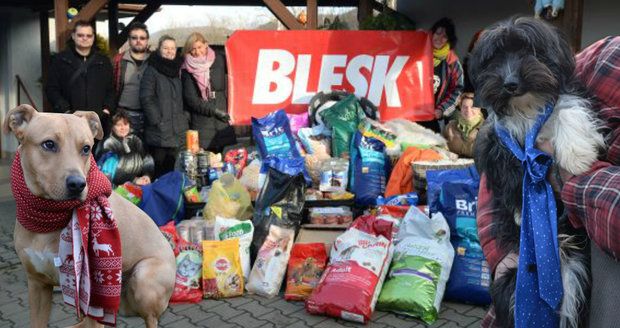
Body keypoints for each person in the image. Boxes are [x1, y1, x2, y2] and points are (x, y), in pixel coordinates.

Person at [478, 36, 620, 328]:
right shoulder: (606, 58)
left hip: (596, 271)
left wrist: (568, 180)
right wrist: (499, 252)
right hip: (527, 258)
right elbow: (493, 173)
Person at [46, 20, 115, 138]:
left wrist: (106, 110)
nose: (85, 38)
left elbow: (111, 89)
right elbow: (51, 89)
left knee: (96, 156)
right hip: (69, 121)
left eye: (88, 35)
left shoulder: (103, 61)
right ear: (73, 36)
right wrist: (66, 110)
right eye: (80, 35)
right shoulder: (60, 60)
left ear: (93, 38)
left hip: (97, 122)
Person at [140, 35, 189, 179]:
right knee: (160, 171)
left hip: (178, 129)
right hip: (159, 131)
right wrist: (157, 120)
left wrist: (185, 117)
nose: (169, 51)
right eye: (166, 48)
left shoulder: (178, 70)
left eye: (172, 48)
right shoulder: (152, 70)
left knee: (175, 170)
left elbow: (183, 98)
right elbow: (146, 97)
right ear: (159, 49)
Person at [181, 32, 236, 153]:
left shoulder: (220, 59)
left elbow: (239, 67)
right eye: (193, 49)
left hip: (223, 120)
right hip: (202, 122)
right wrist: (214, 111)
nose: (196, 51)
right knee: (206, 163)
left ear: (206, 45)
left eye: (199, 47)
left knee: (227, 162)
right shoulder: (186, 69)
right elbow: (192, 100)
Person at [419, 17, 464, 134]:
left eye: (444, 36)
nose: (439, 38)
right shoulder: (417, 51)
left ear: (449, 40)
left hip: (433, 118)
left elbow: (457, 89)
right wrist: (414, 39)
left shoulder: (452, 62)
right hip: (410, 114)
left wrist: (441, 110)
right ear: (432, 33)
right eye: (437, 33)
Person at [113, 21, 150, 140]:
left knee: (146, 154)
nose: (138, 40)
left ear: (147, 40)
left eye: (142, 38)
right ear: (129, 40)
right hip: (124, 116)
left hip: (149, 116)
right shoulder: (118, 61)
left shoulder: (155, 61)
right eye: (134, 38)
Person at [97, 111, 153, 186]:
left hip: (138, 183)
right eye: (118, 125)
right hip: (114, 187)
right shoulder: (108, 144)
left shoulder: (135, 140)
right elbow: (108, 171)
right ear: (113, 127)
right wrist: (134, 179)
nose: (123, 128)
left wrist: (147, 175)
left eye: (126, 124)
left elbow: (146, 158)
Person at [443, 92, 484, 158]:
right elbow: (440, 146)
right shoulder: (450, 127)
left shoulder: (489, 130)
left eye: (473, 107)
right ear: (460, 108)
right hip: (454, 166)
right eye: (464, 107)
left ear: (479, 109)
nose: (468, 110)